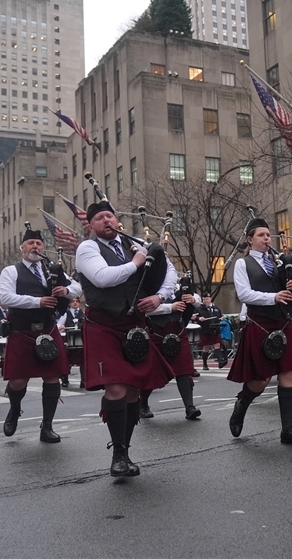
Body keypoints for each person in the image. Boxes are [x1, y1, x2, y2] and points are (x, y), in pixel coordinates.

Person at [76, 200, 177, 477]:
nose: (107, 221)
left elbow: (170, 273)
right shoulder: (87, 248)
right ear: (91, 225)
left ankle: (126, 450)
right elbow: (102, 277)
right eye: (100, 218)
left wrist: (159, 296)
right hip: (103, 325)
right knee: (117, 389)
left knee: (132, 390)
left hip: (133, 325)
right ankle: (118, 454)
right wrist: (134, 265)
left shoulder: (135, 247)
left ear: (117, 221)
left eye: (110, 216)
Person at [226, 218, 292, 444]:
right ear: (249, 239)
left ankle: (287, 430)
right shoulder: (243, 264)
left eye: (268, 235)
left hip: (285, 322)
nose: (267, 239)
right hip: (260, 325)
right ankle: (242, 403)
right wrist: (273, 297)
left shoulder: (280, 261)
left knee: (288, 373)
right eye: (261, 235)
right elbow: (244, 294)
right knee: (260, 381)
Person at [0, 226, 82, 442]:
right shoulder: (11, 271)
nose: (35, 246)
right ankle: (14, 410)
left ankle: (47, 426)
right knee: (18, 381)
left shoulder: (51, 270)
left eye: (39, 243)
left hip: (48, 329)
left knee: (52, 377)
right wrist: (38, 301)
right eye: (31, 243)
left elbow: (78, 288)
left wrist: (66, 291)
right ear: (22, 248)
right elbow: (6, 298)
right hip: (22, 331)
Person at [140, 289, 202, 421]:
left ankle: (189, 407)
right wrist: (170, 307)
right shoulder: (148, 284)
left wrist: (193, 299)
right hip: (155, 333)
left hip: (178, 332)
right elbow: (141, 308)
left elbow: (196, 297)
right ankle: (142, 404)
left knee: (184, 371)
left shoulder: (177, 284)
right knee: (153, 372)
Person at [57, 297, 85, 388]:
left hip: (80, 338)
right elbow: (58, 325)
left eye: (77, 301)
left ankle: (84, 381)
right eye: (73, 301)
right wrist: (61, 327)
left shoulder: (83, 313)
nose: (75, 303)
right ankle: (65, 379)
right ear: (69, 304)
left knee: (83, 360)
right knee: (67, 359)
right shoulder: (65, 313)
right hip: (68, 338)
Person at [194, 293, 226, 369]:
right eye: (204, 299)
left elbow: (220, 315)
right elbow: (193, 316)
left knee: (217, 345)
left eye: (207, 299)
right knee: (206, 348)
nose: (205, 300)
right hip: (205, 330)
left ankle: (220, 362)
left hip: (215, 329)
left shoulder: (216, 308)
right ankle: (205, 364)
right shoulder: (199, 309)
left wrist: (223, 317)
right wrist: (198, 319)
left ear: (210, 299)